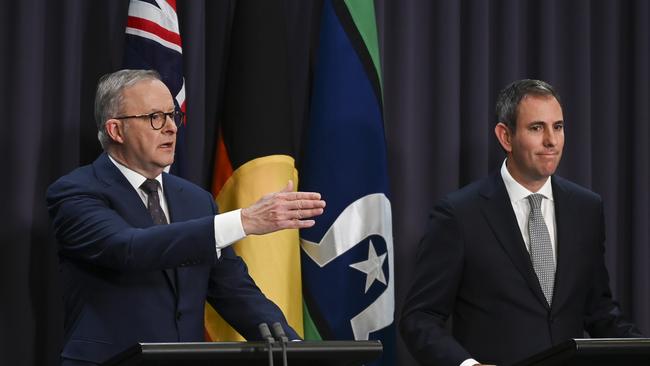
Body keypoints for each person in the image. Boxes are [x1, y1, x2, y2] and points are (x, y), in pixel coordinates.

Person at [46, 69, 326, 365]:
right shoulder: (75, 193)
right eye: (155, 117)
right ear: (116, 130)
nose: (171, 128)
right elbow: (128, 248)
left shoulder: (196, 201)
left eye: (173, 115)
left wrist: (296, 348)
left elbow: (233, 290)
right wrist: (243, 221)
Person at [399, 79, 642, 366]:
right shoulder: (459, 214)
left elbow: (598, 310)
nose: (551, 140)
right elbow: (420, 318)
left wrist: (641, 349)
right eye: (537, 128)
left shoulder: (586, 208)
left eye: (558, 127)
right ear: (505, 137)